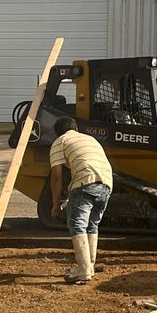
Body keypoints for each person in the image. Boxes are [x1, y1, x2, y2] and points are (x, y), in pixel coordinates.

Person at [49, 117, 113, 284]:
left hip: (85, 182)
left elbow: (56, 176)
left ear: (58, 132)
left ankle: (83, 271)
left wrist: (55, 204)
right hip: (106, 183)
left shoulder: (60, 141)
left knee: (77, 225)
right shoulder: (89, 139)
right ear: (75, 128)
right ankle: (89, 266)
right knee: (92, 225)